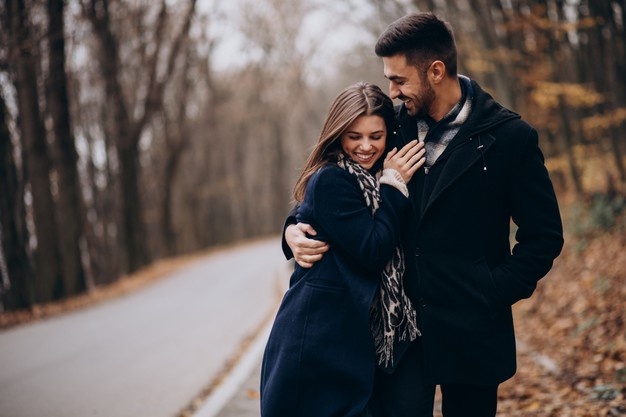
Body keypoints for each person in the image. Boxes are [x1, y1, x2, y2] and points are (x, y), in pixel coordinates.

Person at [283, 12, 564, 417]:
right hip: (400, 337)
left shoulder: (510, 138)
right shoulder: (389, 127)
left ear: (435, 71)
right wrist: (293, 229)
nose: (392, 92)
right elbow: (334, 183)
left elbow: (544, 236)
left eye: (399, 80)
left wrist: (493, 290)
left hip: (474, 333)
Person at [260, 82, 426, 417]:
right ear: (338, 134)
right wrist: (393, 187)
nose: (365, 147)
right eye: (354, 136)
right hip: (320, 346)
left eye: (375, 136)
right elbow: (372, 251)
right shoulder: (335, 179)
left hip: (359, 342)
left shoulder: (380, 173)